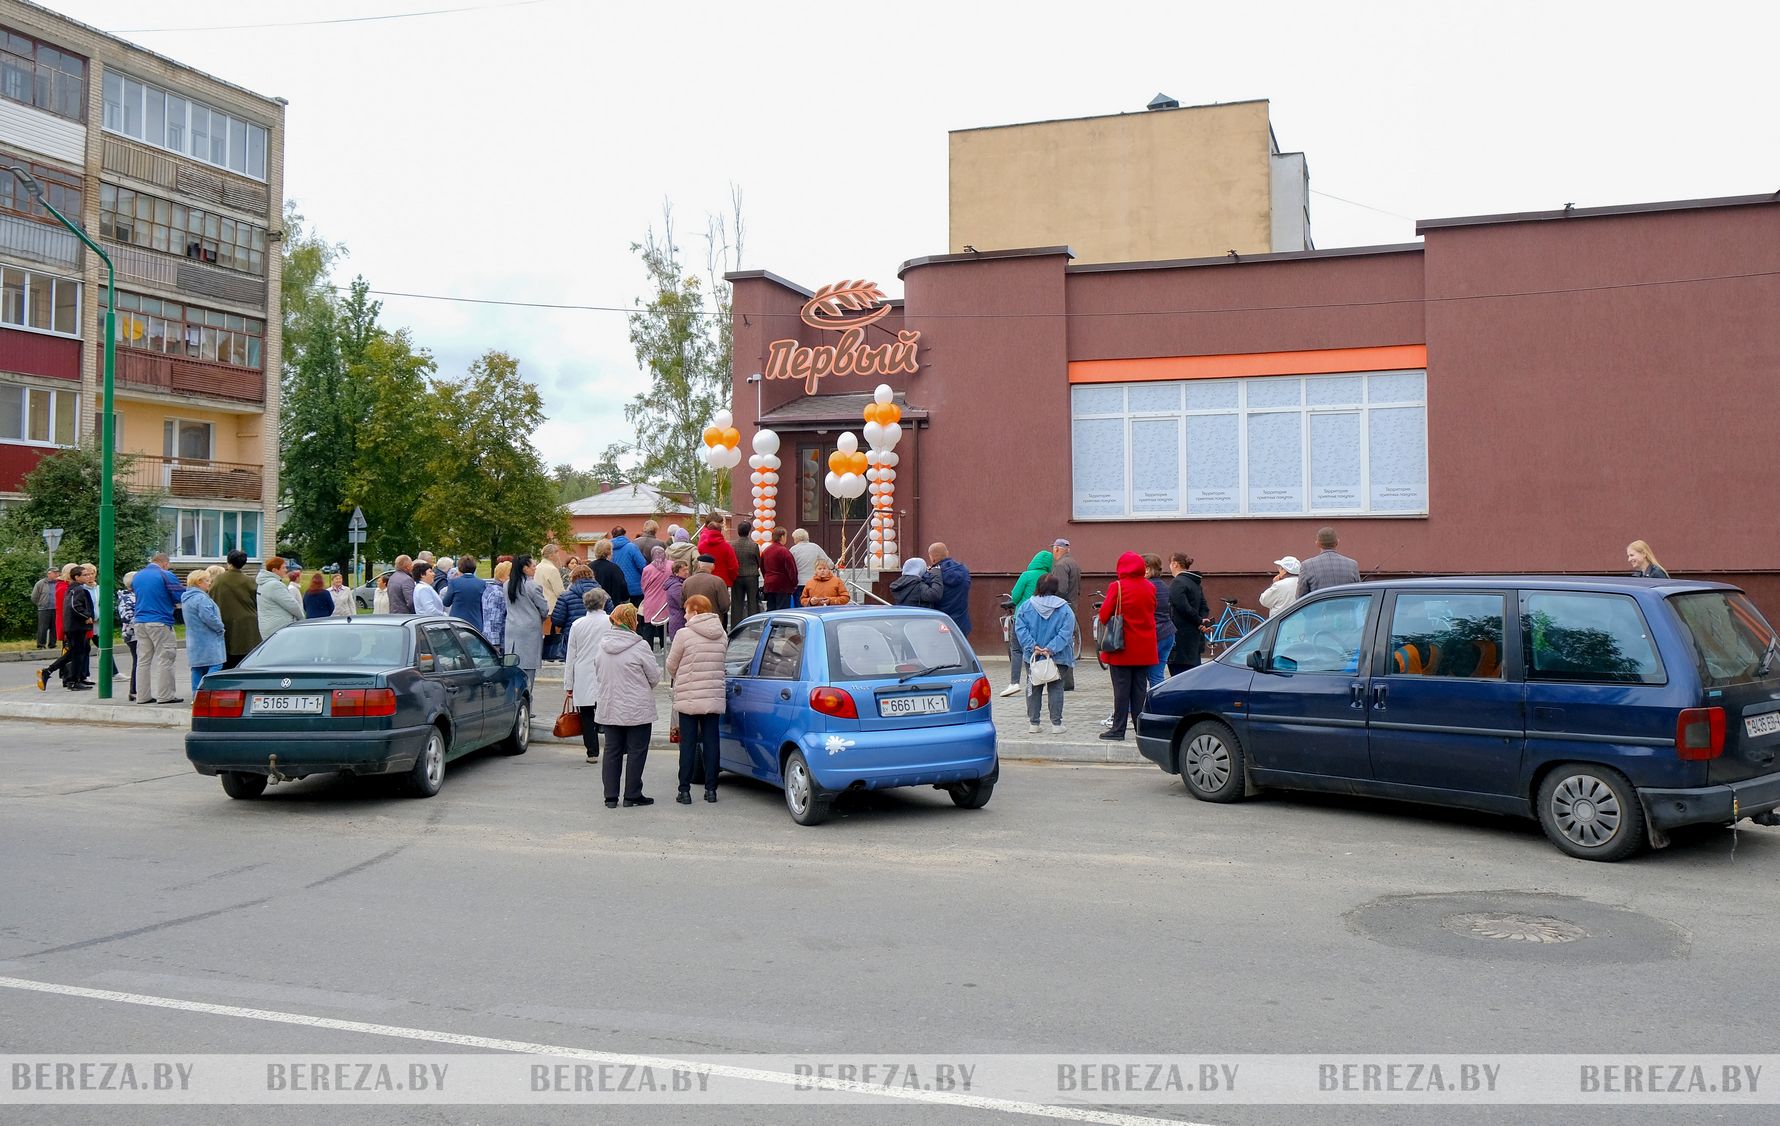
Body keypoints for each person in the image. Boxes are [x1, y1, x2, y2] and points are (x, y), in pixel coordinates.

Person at [594, 602, 660, 808]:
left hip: (610, 704)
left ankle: (610, 796)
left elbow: (598, 672)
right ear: (633, 621)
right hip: (637, 706)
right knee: (637, 750)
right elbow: (655, 676)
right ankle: (632, 794)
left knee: (612, 751)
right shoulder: (640, 646)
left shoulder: (602, 645)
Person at [665, 592, 727, 804]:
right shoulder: (722, 634)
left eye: (686, 611)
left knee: (688, 744)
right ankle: (711, 790)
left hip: (689, 697)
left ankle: (684, 790)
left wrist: (682, 676)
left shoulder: (684, 634)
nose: (684, 616)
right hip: (713, 696)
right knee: (712, 743)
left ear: (696, 611)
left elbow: (671, 665)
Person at [1098, 551, 1159, 742]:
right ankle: (1141, 728)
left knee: (1121, 691)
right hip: (1144, 648)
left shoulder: (1117, 587)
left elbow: (1104, 615)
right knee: (1139, 689)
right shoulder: (1150, 587)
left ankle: (1118, 729)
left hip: (1121, 649)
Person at [1015, 575, 1076, 734]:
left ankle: (1034, 724)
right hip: (1058, 657)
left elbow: (1020, 629)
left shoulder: (1026, 606)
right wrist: (1051, 648)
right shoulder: (1064, 608)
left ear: (1038, 586)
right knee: (1056, 687)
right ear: (1055, 588)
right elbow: (1066, 632)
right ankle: (1056, 724)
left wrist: (1033, 646)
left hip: (1033, 657)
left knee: (1033, 688)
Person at [561, 584, 611, 765]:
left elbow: (571, 655)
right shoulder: (611, 622)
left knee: (587, 715)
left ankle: (592, 752)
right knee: (610, 712)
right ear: (603, 602)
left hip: (582, 672)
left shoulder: (577, 624)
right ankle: (615, 748)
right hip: (606, 670)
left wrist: (569, 684)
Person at [1001, 548, 1055, 697]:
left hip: (1022, 618)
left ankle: (1014, 683)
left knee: (1017, 650)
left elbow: (1016, 596)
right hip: (1042, 620)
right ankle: (1039, 681)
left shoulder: (1026, 575)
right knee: (1038, 649)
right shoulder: (1049, 577)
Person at [131, 552, 183, 705]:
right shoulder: (165, 574)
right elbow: (180, 596)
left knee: (143, 660)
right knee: (165, 658)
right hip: (160, 621)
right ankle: (165, 695)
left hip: (140, 621)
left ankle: (142, 696)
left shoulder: (138, 576)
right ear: (165, 563)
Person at [40, 564, 95, 692]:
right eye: (85, 575)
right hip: (76, 627)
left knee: (76, 652)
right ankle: (72, 681)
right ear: (76, 577)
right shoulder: (77, 590)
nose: (88, 577)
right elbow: (75, 606)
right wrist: (87, 616)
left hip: (74, 626)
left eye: (89, 574)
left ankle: (49, 671)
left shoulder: (74, 588)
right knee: (76, 653)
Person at [503, 555, 550, 691]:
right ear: (525, 568)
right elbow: (544, 609)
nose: (535, 568)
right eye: (533, 566)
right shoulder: (532, 586)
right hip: (529, 630)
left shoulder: (507, 585)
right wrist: (539, 618)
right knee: (528, 669)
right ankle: (526, 701)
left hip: (512, 627)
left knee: (512, 665)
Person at [211, 550, 260, 669]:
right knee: (246, 660)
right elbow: (257, 600)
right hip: (247, 625)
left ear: (228, 561)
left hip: (225, 621)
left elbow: (211, 597)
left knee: (227, 660)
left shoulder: (219, 580)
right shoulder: (249, 581)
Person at [182, 569, 226, 695]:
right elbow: (209, 617)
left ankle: (196, 696)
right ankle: (208, 693)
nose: (209, 583)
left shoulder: (187, 598)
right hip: (208, 638)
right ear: (199, 582)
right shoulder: (201, 598)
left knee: (197, 668)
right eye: (207, 581)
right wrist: (220, 627)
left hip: (193, 638)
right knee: (216, 665)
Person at [1167, 552, 1210, 676]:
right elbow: (1204, 606)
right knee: (1192, 675)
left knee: (1179, 677)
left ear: (1175, 564)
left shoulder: (1177, 583)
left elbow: (1182, 606)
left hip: (1180, 638)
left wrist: (1199, 621)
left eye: (1170, 563)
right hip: (1194, 637)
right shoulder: (1195, 583)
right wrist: (1202, 621)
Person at [1296, 527, 1361, 599]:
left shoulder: (1307, 566)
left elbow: (1300, 597)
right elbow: (1359, 594)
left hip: (1318, 609)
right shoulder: (1352, 565)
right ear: (1337, 542)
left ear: (1317, 544)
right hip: (1347, 609)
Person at [1143, 553, 1177, 690]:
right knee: (1157, 676)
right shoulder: (1163, 585)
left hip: (1155, 634)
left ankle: (1133, 709)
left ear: (1147, 569)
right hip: (1168, 632)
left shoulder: (1147, 586)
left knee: (1139, 676)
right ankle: (1158, 705)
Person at [928, 542, 973, 637]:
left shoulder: (933, 574)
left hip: (940, 624)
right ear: (947, 553)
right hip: (961, 624)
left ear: (933, 558)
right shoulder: (964, 570)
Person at [255, 557, 302, 639]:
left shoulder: (262, 583)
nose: (286, 570)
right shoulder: (275, 585)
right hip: (279, 629)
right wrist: (302, 618)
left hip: (267, 626)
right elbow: (292, 605)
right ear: (274, 570)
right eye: (283, 567)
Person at [551, 564, 599, 639]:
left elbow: (557, 621)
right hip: (595, 635)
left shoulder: (565, 596)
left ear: (573, 577)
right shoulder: (603, 595)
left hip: (571, 635)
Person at [639, 546, 671, 651]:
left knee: (649, 626)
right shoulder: (672, 565)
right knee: (663, 624)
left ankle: (648, 649)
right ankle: (663, 647)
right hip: (666, 600)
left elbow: (644, 586)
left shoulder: (647, 569)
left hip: (651, 600)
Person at [442, 555, 487, 630]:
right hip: (476, 621)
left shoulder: (454, 583)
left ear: (459, 567)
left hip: (457, 622)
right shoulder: (482, 583)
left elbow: (446, 602)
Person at [730, 520, 762, 625]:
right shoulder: (753, 545)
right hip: (751, 576)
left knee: (737, 603)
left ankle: (736, 626)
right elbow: (758, 561)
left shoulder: (732, 545)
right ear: (749, 531)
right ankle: (753, 626)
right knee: (753, 602)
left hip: (737, 576)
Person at [609, 526, 649, 608]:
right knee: (636, 616)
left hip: (617, 590)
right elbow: (642, 566)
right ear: (624, 533)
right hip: (635, 589)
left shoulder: (609, 550)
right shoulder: (632, 547)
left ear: (612, 535)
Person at [788, 528, 830, 605]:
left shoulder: (793, 549)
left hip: (799, 582)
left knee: (800, 604)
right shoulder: (815, 547)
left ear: (796, 538)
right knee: (815, 604)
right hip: (814, 581)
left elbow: (789, 566)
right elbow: (828, 562)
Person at [696, 516, 739, 591]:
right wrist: (732, 578)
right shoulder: (727, 547)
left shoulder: (701, 546)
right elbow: (733, 566)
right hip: (723, 581)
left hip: (706, 580)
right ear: (720, 531)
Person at [683, 555, 732, 620]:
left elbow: (683, 603)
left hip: (692, 620)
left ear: (699, 566)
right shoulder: (718, 582)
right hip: (713, 621)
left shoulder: (687, 582)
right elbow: (725, 605)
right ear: (713, 567)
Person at [760, 527, 798, 610]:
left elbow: (762, 568)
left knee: (771, 610)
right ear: (782, 537)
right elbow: (792, 570)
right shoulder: (784, 551)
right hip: (783, 586)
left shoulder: (766, 551)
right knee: (782, 611)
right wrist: (794, 584)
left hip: (769, 585)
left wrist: (767, 578)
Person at [590, 539, 628, 615]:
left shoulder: (589, 567)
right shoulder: (615, 568)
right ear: (609, 552)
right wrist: (625, 598)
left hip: (592, 606)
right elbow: (622, 586)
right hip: (612, 607)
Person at [117, 570, 138, 700]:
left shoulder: (137, 595)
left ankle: (135, 689)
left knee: (140, 661)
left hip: (139, 633)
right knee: (138, 661)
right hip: (132, 634)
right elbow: (126, 617)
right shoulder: (126, 598)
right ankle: (133, 690)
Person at [481, 560, 510, 648]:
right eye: (509, 576)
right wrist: (495, 644)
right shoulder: (499, 593)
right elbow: (494, 620)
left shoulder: (490, 589)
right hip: (497, 641)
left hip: (490, 637)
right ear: (501, 577)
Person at [32, 567, 58, 649]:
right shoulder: (40, 583)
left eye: (57, 573)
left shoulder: (58, 583)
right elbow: (34, 597)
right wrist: (40, 604)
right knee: (43, 628)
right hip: (44, 609)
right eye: (55, 573)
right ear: (49, 573)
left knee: (54, 628)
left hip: (56, 609)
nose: (57, 574)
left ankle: (52, 644)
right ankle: (41, 645)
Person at [1050, 539, 1081, 606]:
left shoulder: (1060, 565)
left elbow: (1060, 590)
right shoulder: (1074, 563)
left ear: (1056, 549)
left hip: (1062, 608)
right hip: (1072, 605)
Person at [665, 558, 689, 639]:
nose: (687, 572)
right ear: (676, 572)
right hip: (679, 621)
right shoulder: (676, 586)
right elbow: (682, 602)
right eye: (683, 570)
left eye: (687, 569)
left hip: (678, 620)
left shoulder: (679, 583)